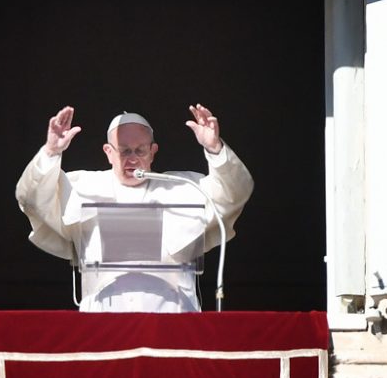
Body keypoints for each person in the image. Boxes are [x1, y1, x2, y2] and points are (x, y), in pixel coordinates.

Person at [16, 104, 254, 312]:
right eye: (124, 150)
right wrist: (51, 151)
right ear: (109, 153)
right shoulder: (81, 187)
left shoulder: (184, 187)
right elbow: (31, 198)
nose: (132, 159)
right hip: (104, 318)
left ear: (153, 152)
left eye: (140, 150)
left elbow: (235, 193)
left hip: (173, 317)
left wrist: (215, 149)